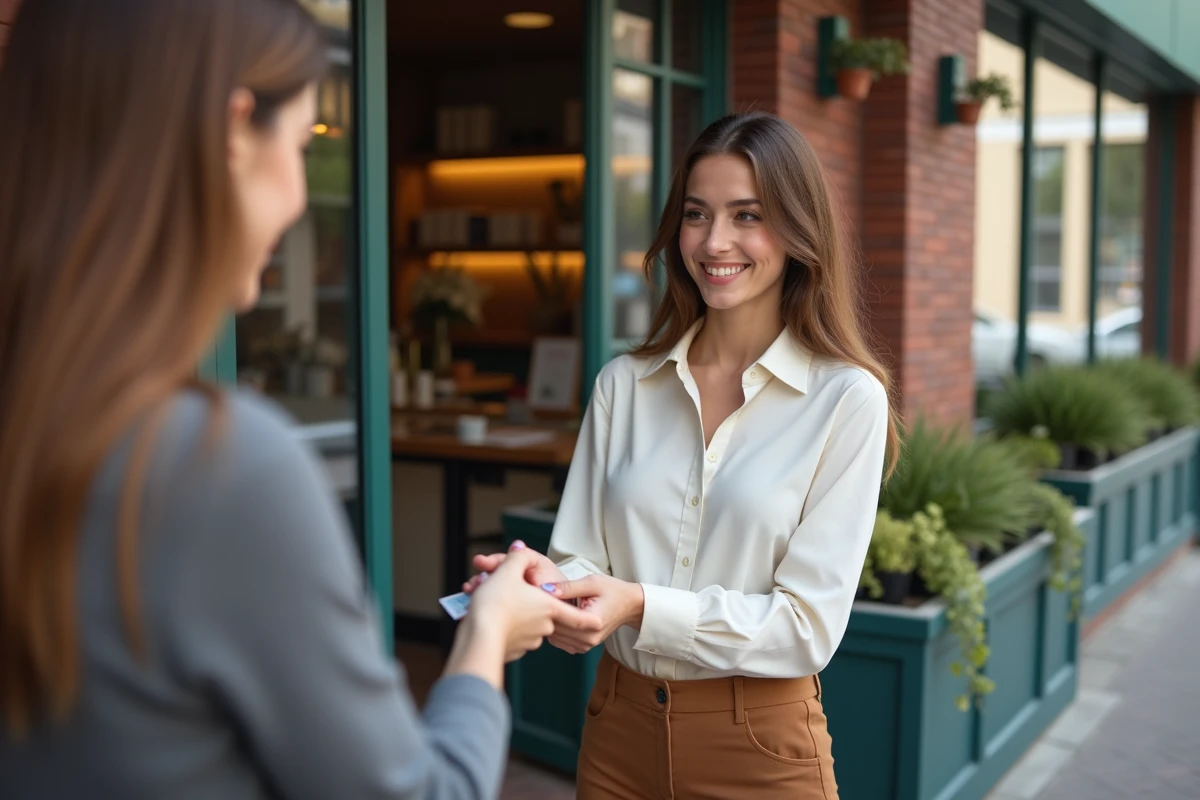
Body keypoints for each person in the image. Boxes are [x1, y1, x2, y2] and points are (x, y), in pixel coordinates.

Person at [0, 1, 598, 798]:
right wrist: (484, 639)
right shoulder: (219, 466)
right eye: (299, 142)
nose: (295, 201)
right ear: (231, 134)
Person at [469, 111, 901, 798]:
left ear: (797, 230)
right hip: (618, 733)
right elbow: (586, 560)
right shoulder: (624, 385)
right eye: (697, 214)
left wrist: (639, 605)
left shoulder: (846, 399)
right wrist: (546, 590)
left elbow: (806, 627)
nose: (715, 241)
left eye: (747, 214)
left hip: (761, 747)